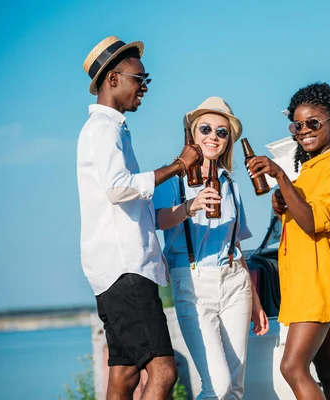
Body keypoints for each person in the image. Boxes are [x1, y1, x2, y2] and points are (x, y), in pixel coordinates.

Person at [78, 36, 202, 398]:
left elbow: (139, 211)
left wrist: (187, 209)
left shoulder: (114, 130)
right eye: (139, 78)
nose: (144, 87)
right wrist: (179, 166)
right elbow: (119, 188)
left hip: (118, 269)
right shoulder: (103, 130)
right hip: (126, 269)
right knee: (163, 372)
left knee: (126, 373)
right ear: (113, 79)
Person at [247, 82, 330, 400]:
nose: (304, 130)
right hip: (308, 281)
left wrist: (280, 176)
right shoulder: (310, 170)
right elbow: (303, 213)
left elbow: (313, 221)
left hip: (319, 282)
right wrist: (283, 197)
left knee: (292, 367)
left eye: (313, 122)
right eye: (297, 125)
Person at [154, 96, 269, 400]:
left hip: (234, 283)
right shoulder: (172, 178)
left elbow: (237, 246)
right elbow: (159, 220)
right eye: (205, 128)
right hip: (192, 282)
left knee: (235, 388)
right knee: (216, 387)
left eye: (222, 132)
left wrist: (255, 301)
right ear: (192, 135)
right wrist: (191, 205)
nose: (213, 137)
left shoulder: (230, 183)